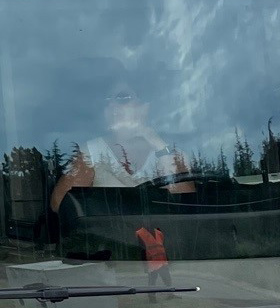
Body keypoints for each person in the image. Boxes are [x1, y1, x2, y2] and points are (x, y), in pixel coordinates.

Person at [49, 82, 196, 212]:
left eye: (122, 98)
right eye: (106, 101)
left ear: (144, 106)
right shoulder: (91, 152)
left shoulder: (168, 151)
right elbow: (59, 203)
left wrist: (159, 146)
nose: (112, 106)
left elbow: (187, 205)